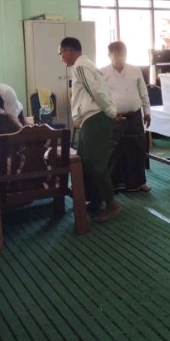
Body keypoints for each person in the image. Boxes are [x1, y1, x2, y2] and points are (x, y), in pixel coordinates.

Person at [59, 37, 122, 223]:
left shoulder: (81, 66)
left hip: (96, 119)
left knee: (96, 164)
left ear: (69, 50)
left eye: (61, 53)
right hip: (90, 120)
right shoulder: (85, 65)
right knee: (85, 162)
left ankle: (111, 204)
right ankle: (95, 201)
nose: (61, 57)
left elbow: (96, 92)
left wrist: (111, 112)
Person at [101, 41, 152, 193]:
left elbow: (143, 92)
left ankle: (139, 182)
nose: (120, 58)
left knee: (137, 149)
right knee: (114, 151)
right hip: (113, 117)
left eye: (122, 55)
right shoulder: (102, 72)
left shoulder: (135, 70)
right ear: (109, 55)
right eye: (116, 55)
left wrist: (147, 112)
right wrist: (108, 113)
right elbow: (101, 97)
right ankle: (113, 184)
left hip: (134, 115)